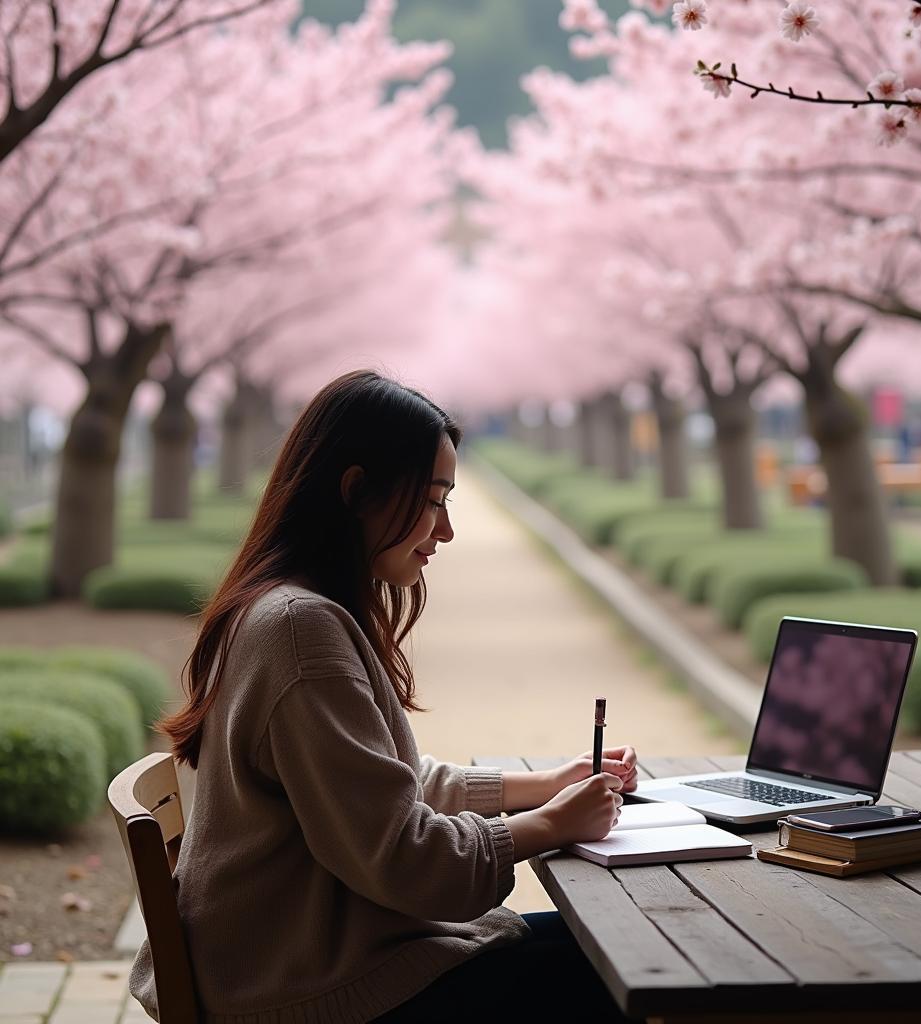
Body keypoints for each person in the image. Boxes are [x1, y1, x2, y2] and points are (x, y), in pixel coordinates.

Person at [130, 370, 641, 1024]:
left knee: (607, 953)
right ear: (356, 490)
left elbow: (381, 789)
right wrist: (551, 826)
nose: (446, 530)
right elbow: (403, 860)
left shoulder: (287, 609)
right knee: (633, 970)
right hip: (314, 992)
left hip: (298, 965)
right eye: (433, 501)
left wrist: (543, 784)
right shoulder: (299, 630)